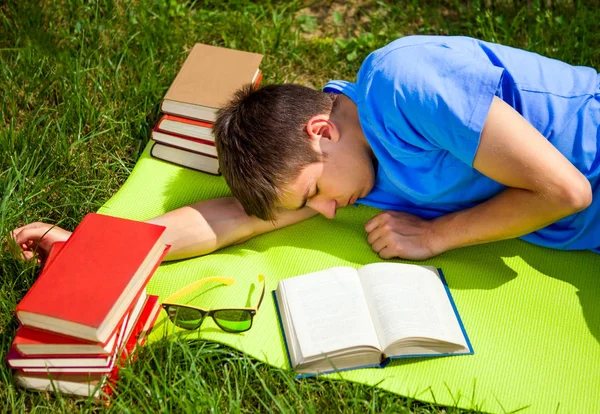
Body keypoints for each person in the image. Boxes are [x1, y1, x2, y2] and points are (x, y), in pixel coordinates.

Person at [11, 35, 600, 263]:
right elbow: (230, 219)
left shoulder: (406, 85)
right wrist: (90, 251)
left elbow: (566, 190)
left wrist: (437, 236)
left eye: (314, 193)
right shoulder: (350, 167)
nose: (324, 211)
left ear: (321, 130)